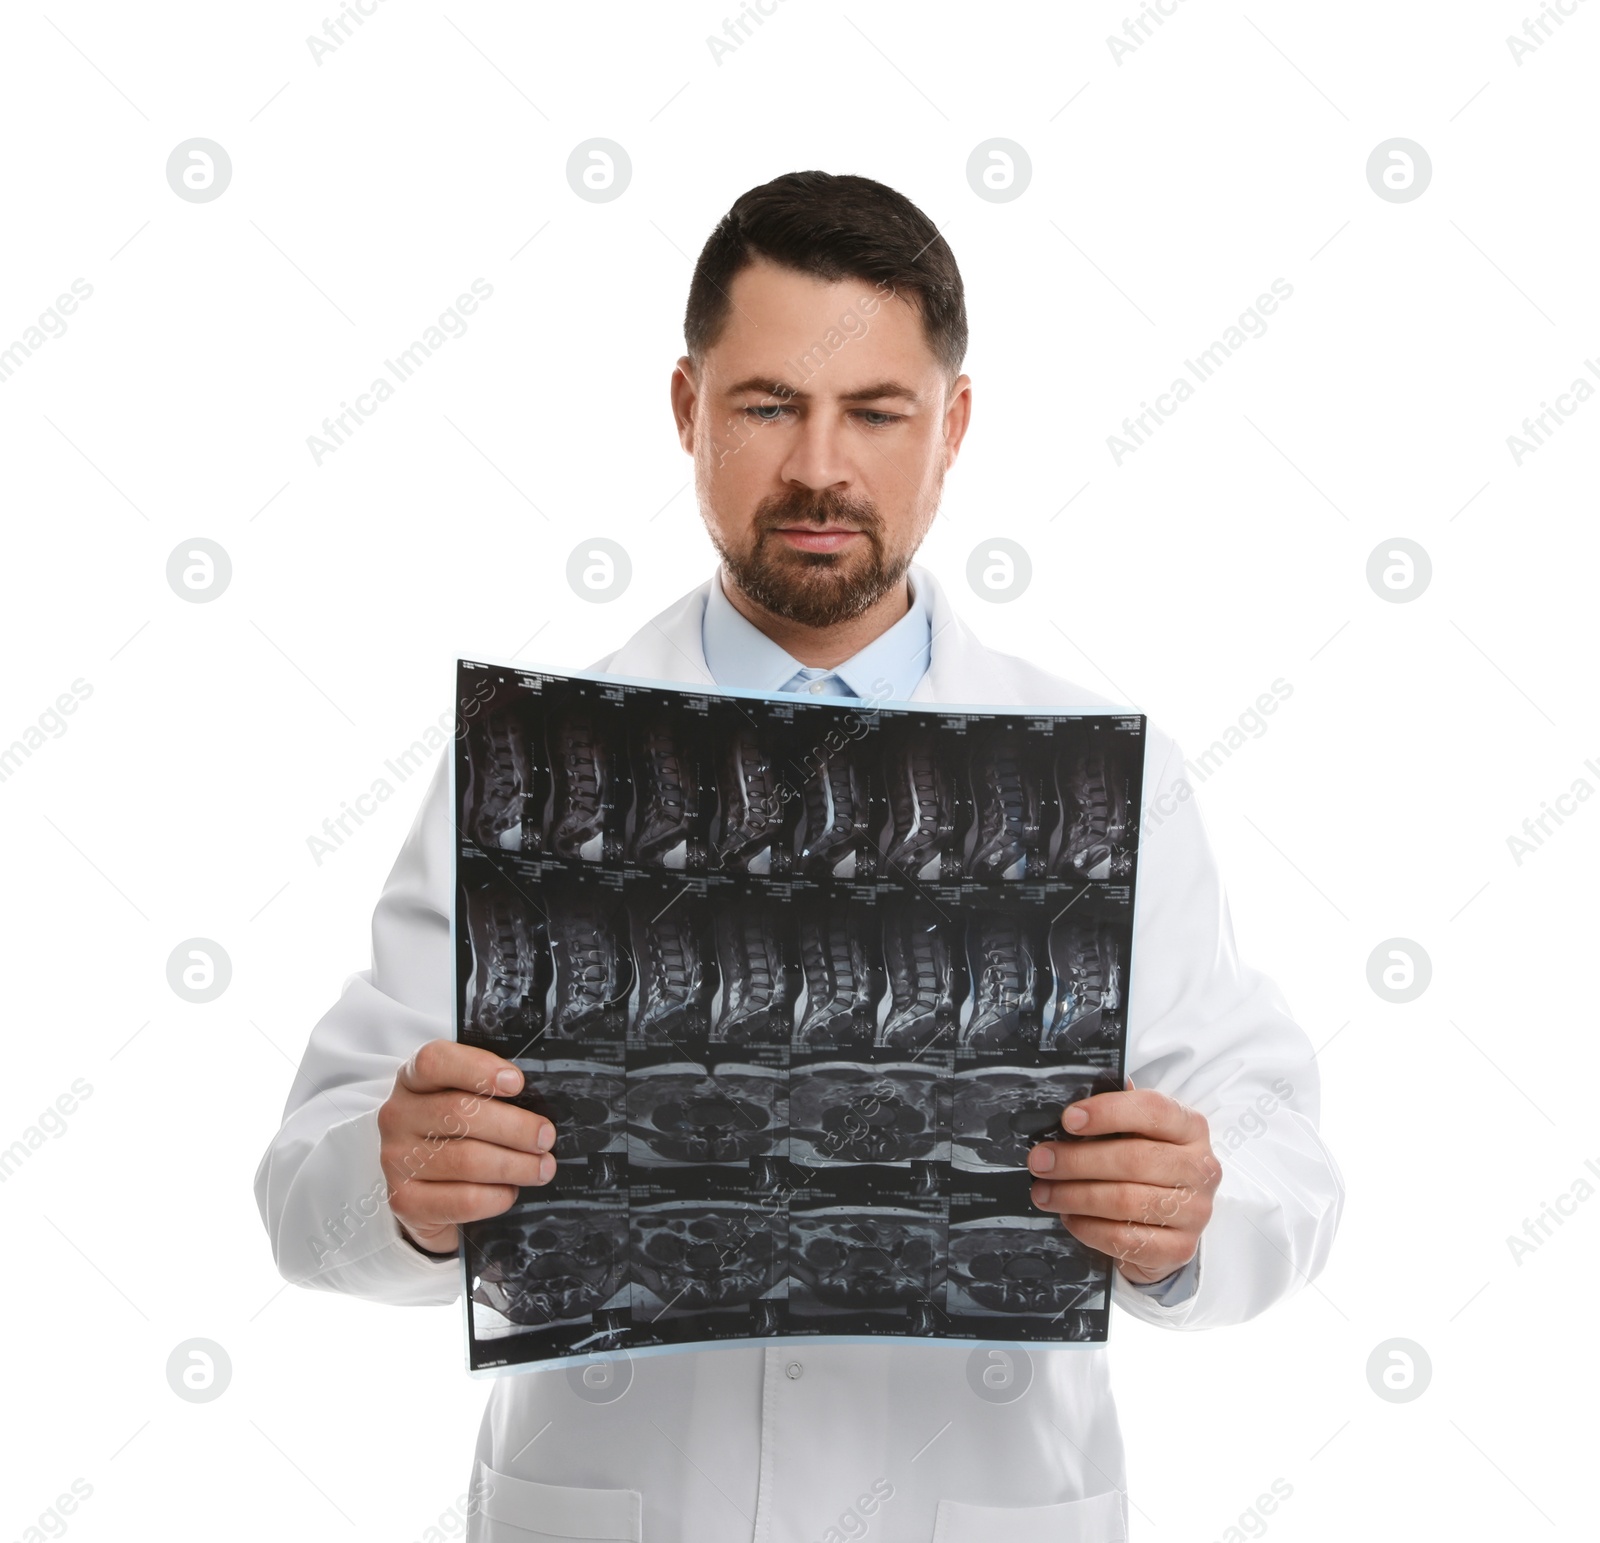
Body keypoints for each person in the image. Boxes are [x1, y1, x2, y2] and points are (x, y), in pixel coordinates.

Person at [255, 170, 1343, 1543]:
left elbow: (1280, 1152)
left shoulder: (1102, 779)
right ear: (685, 411)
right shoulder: (526, 767)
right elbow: (305, 1188)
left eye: (876, 411)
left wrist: (1196, 1205)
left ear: (951, 428)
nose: (820, 467)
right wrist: (396, 1184)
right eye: (768, 405)